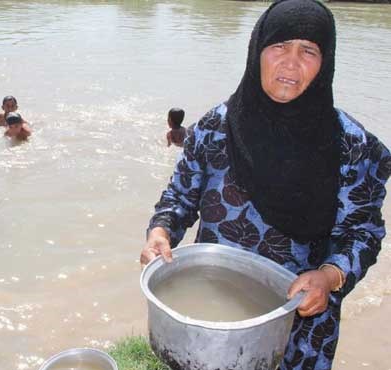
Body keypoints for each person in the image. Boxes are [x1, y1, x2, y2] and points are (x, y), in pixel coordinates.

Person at [140, 0, 391, 369]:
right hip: (212, 313)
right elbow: (180, 196)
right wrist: (160, 231)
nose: (291, 62)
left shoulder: (352, 147)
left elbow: (363, 234)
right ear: (257, 51)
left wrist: (328, 276)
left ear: (326, 63)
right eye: (278, 46)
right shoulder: (216, 126)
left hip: (300, 322)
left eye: (308, 51)